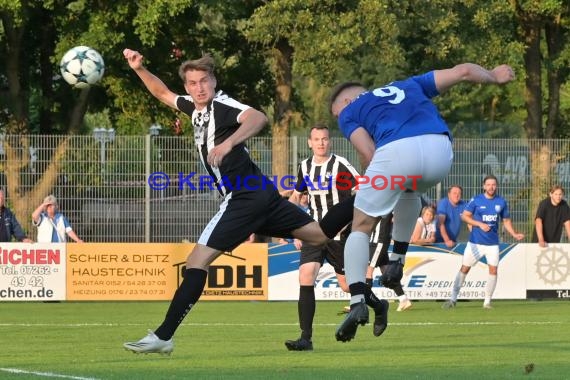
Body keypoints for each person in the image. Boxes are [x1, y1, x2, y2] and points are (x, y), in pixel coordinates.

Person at [121, 49, 367, 355]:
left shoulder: (222, 105)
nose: (199, 87)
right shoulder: (194, 109)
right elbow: (162, 92)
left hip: (243, 198)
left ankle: (163, 336)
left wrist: (229, 142)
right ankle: (364, 197)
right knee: (318, 234)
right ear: (187, 86)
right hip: (261, 195)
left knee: (196, 263)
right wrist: (139, 68)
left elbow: (257, 117)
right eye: (193, 82)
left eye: (204, 80)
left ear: (214, 81)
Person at [329, 62, 516, 342]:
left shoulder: (350, 112)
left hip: (395, 152)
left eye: (336, 114)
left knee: (360, 226)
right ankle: (396, 261)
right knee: (408, 191)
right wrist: (494, 77)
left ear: (346, 101)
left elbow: (368, 152)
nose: (338, 118)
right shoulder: (410, 84)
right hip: (440, 151)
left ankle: (357, 302)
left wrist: (374, 185)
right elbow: (463, 71)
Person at [284, 124, 388, 351]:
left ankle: (379, 307)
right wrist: (289, 228)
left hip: (341, 235)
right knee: (306, 275)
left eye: (324, 139)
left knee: (347, 286)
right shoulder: (305, 167)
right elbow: (295, 197)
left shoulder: (341, 165)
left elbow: (363, 189)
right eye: (316, 139)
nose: (321, 143)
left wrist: (355, 219)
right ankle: (305, 338)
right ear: (309, 143)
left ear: (329, 141)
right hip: (313, 232)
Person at [443, 175, 524, 309]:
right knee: (464, 268)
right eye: (488, 184)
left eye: (493, 184)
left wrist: (514, 234)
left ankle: (487, 302)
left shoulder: (501, 202)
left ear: (496, 186)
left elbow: (506, 221)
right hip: (475, 242)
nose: (491, 187)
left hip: (492, 244)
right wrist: (479, 224)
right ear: (484, 186)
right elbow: (465, 216)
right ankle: (453, 299)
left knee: (493, 270)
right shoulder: (476, 200)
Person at [367, 213, 412, 311]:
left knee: (367, 271)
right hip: (378, 242)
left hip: (378, 243)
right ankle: (403, 299)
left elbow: (397, 218)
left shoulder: (384, 206)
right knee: (387, 273)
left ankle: (361, 302)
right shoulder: (383, 205)